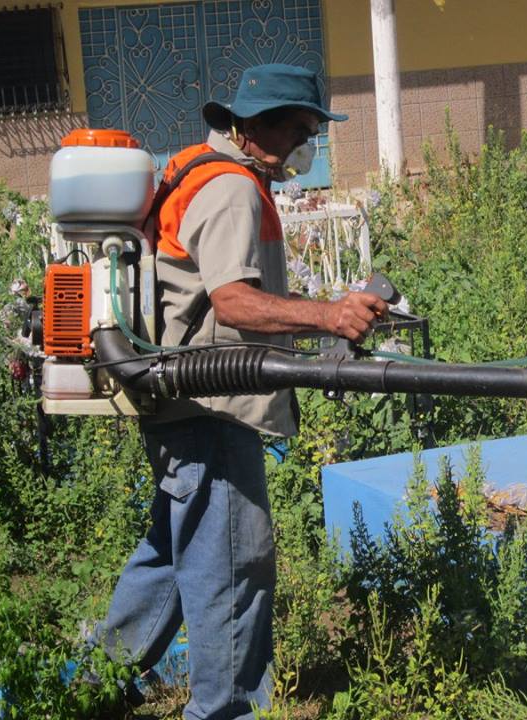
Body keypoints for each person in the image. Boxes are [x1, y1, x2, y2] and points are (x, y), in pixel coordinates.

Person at [96, 63, 388, 720]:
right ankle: (223, 709)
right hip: (211, 402)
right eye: (303, 132)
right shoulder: (230, 189)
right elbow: (232, 303)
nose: (304, 148)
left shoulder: (192, 167)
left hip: (175, 399)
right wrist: (329, 315)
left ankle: (82, 681)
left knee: (173, 554)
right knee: (231, 566)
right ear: (262, 127)